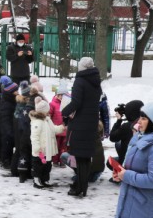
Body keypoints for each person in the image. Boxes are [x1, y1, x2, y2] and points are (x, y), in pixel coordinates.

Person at [60, 57, 102, 198]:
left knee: (79, 158)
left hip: (79, 123)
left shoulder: (80, 81)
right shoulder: (96, 81)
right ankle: (82, 187)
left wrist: (64, 112)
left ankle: (79, 187)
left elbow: (76, 102)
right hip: (91, 122)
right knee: (85, 158)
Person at [31, 97, 65, 188]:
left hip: (48, 149)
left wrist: (61, 127)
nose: (48, 112)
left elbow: (53, 129)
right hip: (40, 151)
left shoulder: (47, 120)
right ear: (42, 111)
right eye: (47, 110)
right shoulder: (37, 122)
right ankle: (37, 180)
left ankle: (45, 179)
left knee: (47, 166)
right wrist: (37, 148)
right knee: (38, 166)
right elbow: (34, 136)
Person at [110, 100, 144, 166]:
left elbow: (112, 137)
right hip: (140, 161)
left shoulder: (127, 126)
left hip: (128, 162)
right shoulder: (146, 124)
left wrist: (118, 121)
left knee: (110, 162)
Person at [0, 77, 18, 170]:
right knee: (6, 143)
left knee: (8, 143)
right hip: (6, 128)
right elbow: (4, 118)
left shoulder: (11, 100)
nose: (17, 92)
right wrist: (9, 131)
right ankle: (5, 161)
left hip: (10, 126)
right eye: (15, 91)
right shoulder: (6, 103)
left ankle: (7, 160)